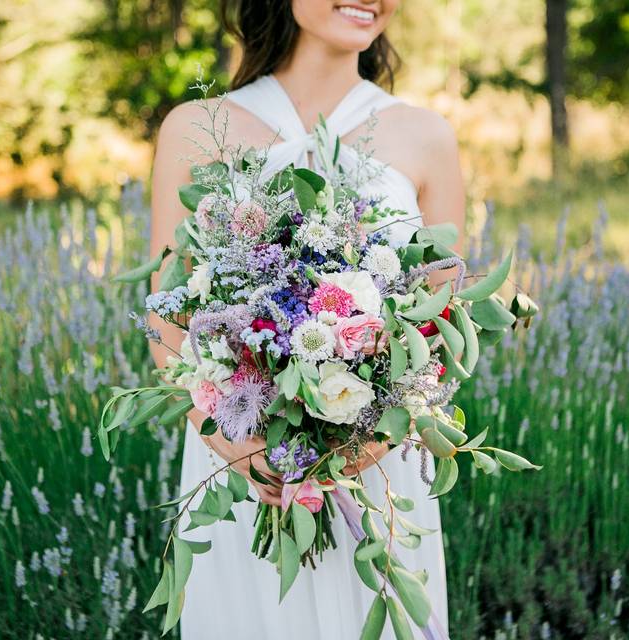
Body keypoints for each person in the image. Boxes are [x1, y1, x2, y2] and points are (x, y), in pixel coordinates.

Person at [148, 1, 465, 637]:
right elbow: (167, 319)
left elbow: (444, 327)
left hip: (379, 470)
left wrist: (368, 443)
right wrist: (237, 448)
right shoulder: (194, 127)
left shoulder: (425, 135)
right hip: (237, 461)